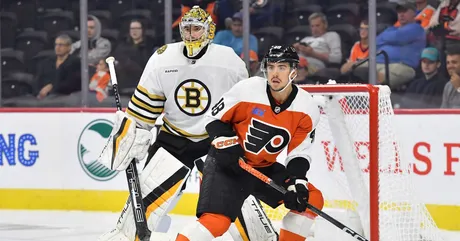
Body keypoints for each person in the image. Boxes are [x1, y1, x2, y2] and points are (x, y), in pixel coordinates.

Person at [95, 6, 277, 241]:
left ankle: (262, 238)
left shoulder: (228, 60)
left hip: (216, 140)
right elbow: (144, 109)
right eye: (187, 29)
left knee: (235, 198)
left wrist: (242, 141)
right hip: (174, 137)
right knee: (145, 199)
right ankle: (127, 237)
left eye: (196, 29)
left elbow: (241, 108)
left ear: (209, 31)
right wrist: (130, 135)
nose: (191, 35)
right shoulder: (163, 58)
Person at [175, 45, 325, 241]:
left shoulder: (307, 107)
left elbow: (298, 152)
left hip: (263, 168)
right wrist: (226, 143)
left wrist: (297, 183)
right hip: (227, 166)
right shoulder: (248, 89)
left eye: (281, 67)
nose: (275, 73)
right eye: (270, 67)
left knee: (311, 198)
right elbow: (213, 118)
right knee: (216, 221)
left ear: (294, 71)